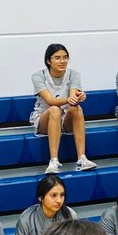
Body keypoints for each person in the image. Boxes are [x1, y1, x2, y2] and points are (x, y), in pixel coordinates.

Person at [29, 43, 96, 174]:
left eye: (65, 57)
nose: (62, 61)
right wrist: (68, 99)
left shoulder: (73, 74)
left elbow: (72, 99)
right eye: (58, 58)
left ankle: (82, 158)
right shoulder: (38, 76)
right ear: (49, 60)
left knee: (77, 109)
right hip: (45, 117)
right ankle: (54, 160)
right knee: (55, 109)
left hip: (65, 119)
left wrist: (79, 96)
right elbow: (50, 101)